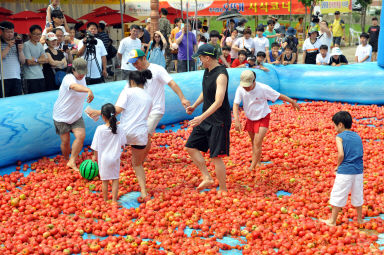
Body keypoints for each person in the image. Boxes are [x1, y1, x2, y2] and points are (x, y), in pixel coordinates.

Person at [88, 70, 153, 199]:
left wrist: (97, 112)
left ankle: (105, 181)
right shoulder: (149, 97)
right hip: (140, 135)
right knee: (137, 164)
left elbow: (116, 110)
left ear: (132, 82)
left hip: (123, 132)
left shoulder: (128, 91)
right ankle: (144, 192)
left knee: (108, 151)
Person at [126, 49, 190, 160]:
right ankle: (142, 159)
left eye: (136, 62)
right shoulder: (136, 74)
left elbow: (172, 83)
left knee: (145, 135)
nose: (135, 65)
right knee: (140, 135)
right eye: (133, 63)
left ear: (144, 58)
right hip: (141, 111)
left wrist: (182, 98)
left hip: (156, 109)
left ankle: (139, 161)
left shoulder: (157, 70)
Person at [185, 44, 231, 195]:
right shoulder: (207, 71)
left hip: (219, 120)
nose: (200, 61)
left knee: (215, 156)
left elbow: (218, 101)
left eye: (200, 58)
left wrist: (200, 117)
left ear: (207, 57)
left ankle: (223, 189)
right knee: (190, 146)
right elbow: (205, 92)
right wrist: (195, 106)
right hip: (206, 117)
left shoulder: (221, 75)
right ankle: (207, 177)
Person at [233, 70, 299, 171]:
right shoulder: (240, 89)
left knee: (257, 142)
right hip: (250, 118)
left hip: (263, 116)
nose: (245, 88)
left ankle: (253, 166)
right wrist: (236, 120)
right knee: (253, 142)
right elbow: (236, 104)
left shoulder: (263, 88)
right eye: (244, 86)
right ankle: (257, 161)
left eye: (248, 86)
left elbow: (279, 95)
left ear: (253, 81)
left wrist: (292, 102)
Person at [320, 111, 364, 227]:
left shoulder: (339, 137)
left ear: (340, 125)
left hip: (345, 171)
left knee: (338, 194)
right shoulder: (357, 136)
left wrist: (337, 166)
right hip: (358, 171)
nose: (334, 128)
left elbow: (341, 155)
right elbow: (360, 153)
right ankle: (360, 219)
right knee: (358, 194)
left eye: (334, 125)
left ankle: (332, 221)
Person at [53, 58, 94, 171]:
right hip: (62, 116)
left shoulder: (83, 78)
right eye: (79, 72)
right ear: (73, 69)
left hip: (76, 116)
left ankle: (72, 160)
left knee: (80, 136)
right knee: (65, 142)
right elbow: (74, 86)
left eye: (83, 72)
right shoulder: (68, 78)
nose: (81, 75)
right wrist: (88, 90)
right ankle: (66, 159)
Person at [91, 103, 126, 203]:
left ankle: (106, 200)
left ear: (102, 116)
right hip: (115, 158)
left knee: (105, 181)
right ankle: (114, 200)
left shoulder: (100, 129)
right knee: (115, 179)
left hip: (104, 159)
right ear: (115, 114)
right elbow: (123, 144)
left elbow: (95, 146)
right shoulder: (120, 128)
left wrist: (94, 156)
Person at [0, 21, 25, 97]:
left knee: (16, 101)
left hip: (16, 76)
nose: (10, 34)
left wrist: (20, 51)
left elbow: (23, 61)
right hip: (2, 78)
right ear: (2, 32)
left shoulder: (17, 43)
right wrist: (8, 46)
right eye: (7, 32)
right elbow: (1, 57)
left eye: (12, 32)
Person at [23, 25, 48, 94]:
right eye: (35, 34)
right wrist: (40, 60)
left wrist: (36, 60)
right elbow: (29, 62)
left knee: (41, 98)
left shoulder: (39, 44)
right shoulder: (26, 45)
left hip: (40, 75)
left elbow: (46, 60)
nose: (37, 36)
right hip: (30, 77)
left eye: (39, 34)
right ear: (30, 34)